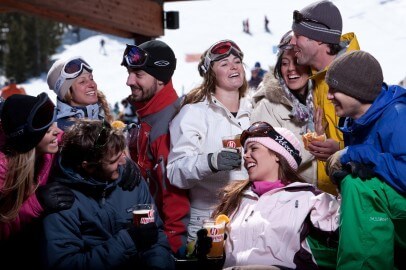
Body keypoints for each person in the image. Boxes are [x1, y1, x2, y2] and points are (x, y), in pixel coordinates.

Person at [194, 122, 339, 268]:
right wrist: (202, 250)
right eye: (245, 150)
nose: (245, 155)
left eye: (254, 149)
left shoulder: (307, 196)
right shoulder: (233, 199)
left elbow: (347, 228)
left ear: (277, 155)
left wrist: (343, 176)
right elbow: (217, 254)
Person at [41, 119, 175, 270]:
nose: (124, 162)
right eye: (113, 160)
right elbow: (64, 264)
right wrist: (128, 240)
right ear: (89, 166)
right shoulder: (62, 200)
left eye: (121, 154)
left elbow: (154, 236)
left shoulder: (131, 183)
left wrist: (157, 265)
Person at [324, 50, 406, 269]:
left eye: (335, 88)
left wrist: (356, 154)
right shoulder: (355, 122)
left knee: (359, 187)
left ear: (356, 90)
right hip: (391, 215)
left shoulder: (398, 116)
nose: (329, 95)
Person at [167, 39, 251, 244]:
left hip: (250, 216)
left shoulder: (254, 110)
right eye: (224, 63)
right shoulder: (193, 114)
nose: (233, 66)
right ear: (210, 74)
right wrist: (211, 162)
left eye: (237, 61)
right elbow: (175, 172)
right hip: (209, 218)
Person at [121, 40, 190, 257]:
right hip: (151, 236)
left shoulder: (169, 124)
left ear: (160, 78)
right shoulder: (149, 117)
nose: (129, 81)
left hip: (165, 244)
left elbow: (175, 198)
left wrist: (172, 250)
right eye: (130, 73)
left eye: (138, 75)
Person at [290, 0, 360, 194]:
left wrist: (342, 148)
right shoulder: (318, 78)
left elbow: (385, 141)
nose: (293, 42)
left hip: (359, 199)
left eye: (298, 36)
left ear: (319, 39)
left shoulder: (356, 74)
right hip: (332, 195)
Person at [0, 93, 74, 267]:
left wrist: (116, 154)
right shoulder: (3, 169)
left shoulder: (47, 146)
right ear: (30, 142)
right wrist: (36, 204)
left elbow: (76, 138)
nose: (57, 131)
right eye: (48, 130)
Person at [251, 30, 317, 184]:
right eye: (285, 63)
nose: (291, 69)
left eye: (297, 61)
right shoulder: (267, 106)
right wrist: (316, 138)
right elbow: (272, 161)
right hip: (291, 197)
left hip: (328, 195)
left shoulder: (323, 98)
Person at [46, 56, 113, 130]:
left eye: (91, 78)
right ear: (68, 93)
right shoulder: (62, 131)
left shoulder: (100, 120)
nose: (92, 84)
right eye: (82, 82)